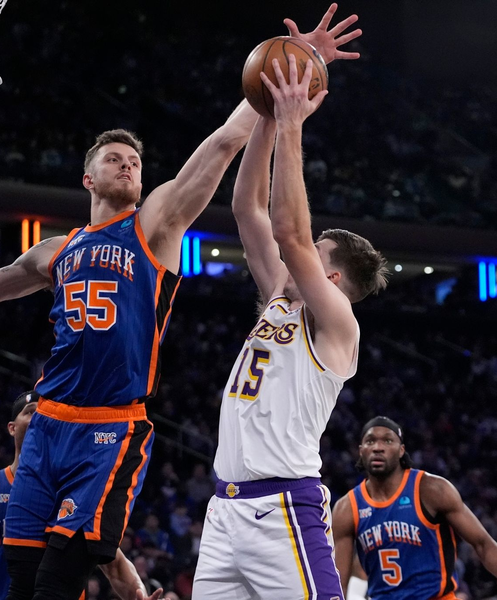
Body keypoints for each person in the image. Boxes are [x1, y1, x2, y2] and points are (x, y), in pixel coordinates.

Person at [0, 5, 359, 599]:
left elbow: (222, 146)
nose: (129, 165)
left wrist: (285, 70)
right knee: (22, 575)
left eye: (135, 161)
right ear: (88, 179)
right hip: (48, 421)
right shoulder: (55, 252)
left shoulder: (155, 225)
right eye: (115, 159)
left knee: (63, 576)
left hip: (110, 424)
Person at [193, 17, 382, 597]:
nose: (299, 252)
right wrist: (270, 116)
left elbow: (289, 231)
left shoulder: (337, 324)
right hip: (224, 511)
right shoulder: (281, 292)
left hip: (283, 509)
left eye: (315, 252)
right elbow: (247, 206)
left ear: (329, 274)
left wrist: (295, 122)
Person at [0, 391, 161, 600]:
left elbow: (115, 565)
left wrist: (138, 592)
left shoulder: (80, 492)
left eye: (47, 412)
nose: (41, 417)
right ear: (12, 428)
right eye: (31, 411)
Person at [332, 417, 497, 600]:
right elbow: (337, 580)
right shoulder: (347, 508)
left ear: (401, 450)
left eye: (387, 441)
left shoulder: (431, 489)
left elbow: (482, 542)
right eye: (370, 441)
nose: (378, 447)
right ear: (361, 450)